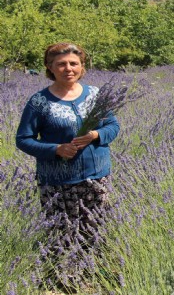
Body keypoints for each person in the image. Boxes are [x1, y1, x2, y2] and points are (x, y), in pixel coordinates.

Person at [15, 43, 120, 263]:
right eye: (61, 64)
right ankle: (63, 279)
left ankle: (96, 274)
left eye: (74, 63)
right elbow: (23, 140)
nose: (68, 68)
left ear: (82, 67)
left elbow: (113, 126)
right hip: (58, 182)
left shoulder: (96, 95)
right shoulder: (39, 102)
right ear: (49, 67)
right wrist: (56, 149)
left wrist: (94, 135)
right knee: (62, 236)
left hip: (97, 177)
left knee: (96, 231)